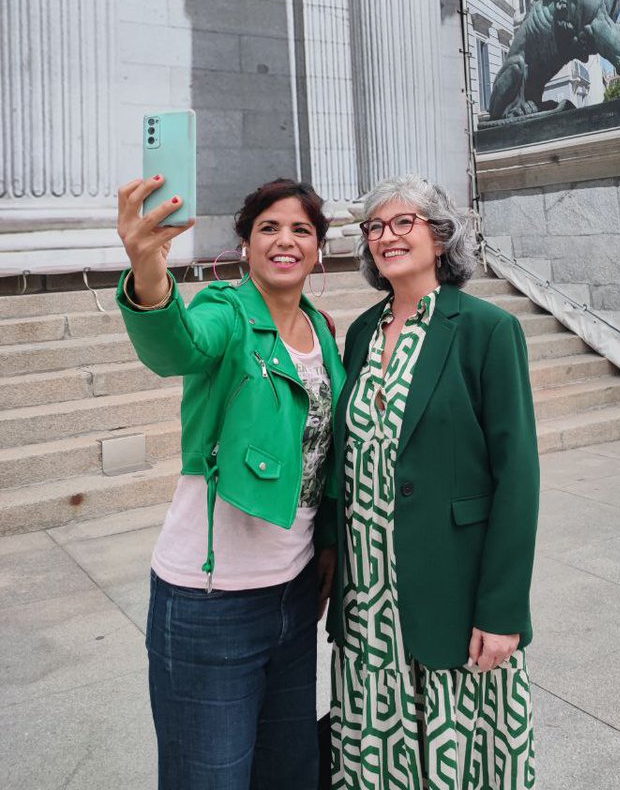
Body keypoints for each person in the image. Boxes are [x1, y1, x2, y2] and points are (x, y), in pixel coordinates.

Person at [115, 174, 345, 790]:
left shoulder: (322, 333)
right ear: (245, 245)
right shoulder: (226, 310)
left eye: (301, 229)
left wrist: (326, 542)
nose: (285, 240)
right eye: (268, 228)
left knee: (288, 772)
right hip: (208, 603)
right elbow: (179, 347)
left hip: (294, 598)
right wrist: (147, 272)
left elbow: (326, 459)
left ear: (318, 248)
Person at [326, 174, 540, 789]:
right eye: (375, 228)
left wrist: (503, 611)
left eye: (403, 223)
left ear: (440, 237)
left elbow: (517, 478)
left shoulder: (486, 331)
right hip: (369, 602)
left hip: (451, 590)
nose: (387, 237)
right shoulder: (363, 333)